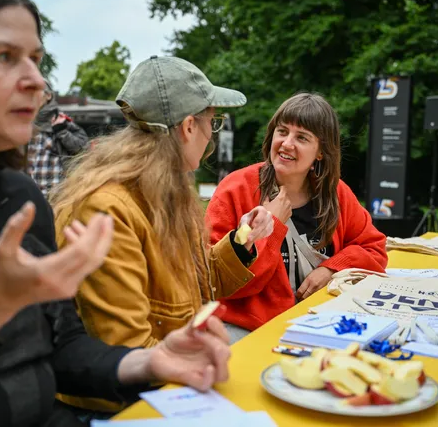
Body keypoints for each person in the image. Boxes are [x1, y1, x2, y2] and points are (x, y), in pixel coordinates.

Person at [0, 0, 232, 426]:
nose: (36, 81)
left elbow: (63, 348)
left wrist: (151, 362)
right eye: (4, 57)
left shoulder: (21, 198)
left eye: (35, 59)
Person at [50, 56, 273, 414]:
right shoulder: (109, 209)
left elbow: (199, 288)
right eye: (211, 121)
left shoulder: (166, 191)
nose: (210, 135)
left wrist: (240, 242)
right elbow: (125, 349)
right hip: (125, 407)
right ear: (188, 126)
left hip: (169, 389)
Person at [205, 93, 388, 342]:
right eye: (282, 131)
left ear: (321, 152)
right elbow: (219, 280)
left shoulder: (336, 193)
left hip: (320, 322)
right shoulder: (235, 189)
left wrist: (331, 268)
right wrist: (273, 224)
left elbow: (374, 248)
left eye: (301, 137)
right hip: (247, 327)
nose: (287, 143)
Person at [27, 80, 89, 197]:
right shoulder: (24, 123)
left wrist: (62, 131)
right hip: (31, 196)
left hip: (57, 196)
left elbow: (83, 148)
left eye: (37, 91)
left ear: (48, 96)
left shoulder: (60, 120)